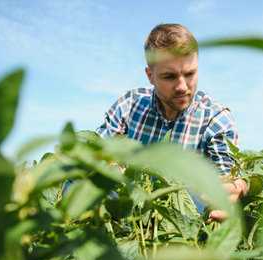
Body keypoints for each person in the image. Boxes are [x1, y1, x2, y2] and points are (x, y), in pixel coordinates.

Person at [96, 23, 247, 222]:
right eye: (169, 76)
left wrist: (237, 189)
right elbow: (95, 151)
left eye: (190, 74)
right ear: (150, 76)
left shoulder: (215, 119)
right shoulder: (130, 105)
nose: (182, 87)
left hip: (183, 208)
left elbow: (229, 178)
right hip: (127, 201)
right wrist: (107, 163)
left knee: (192, 193)